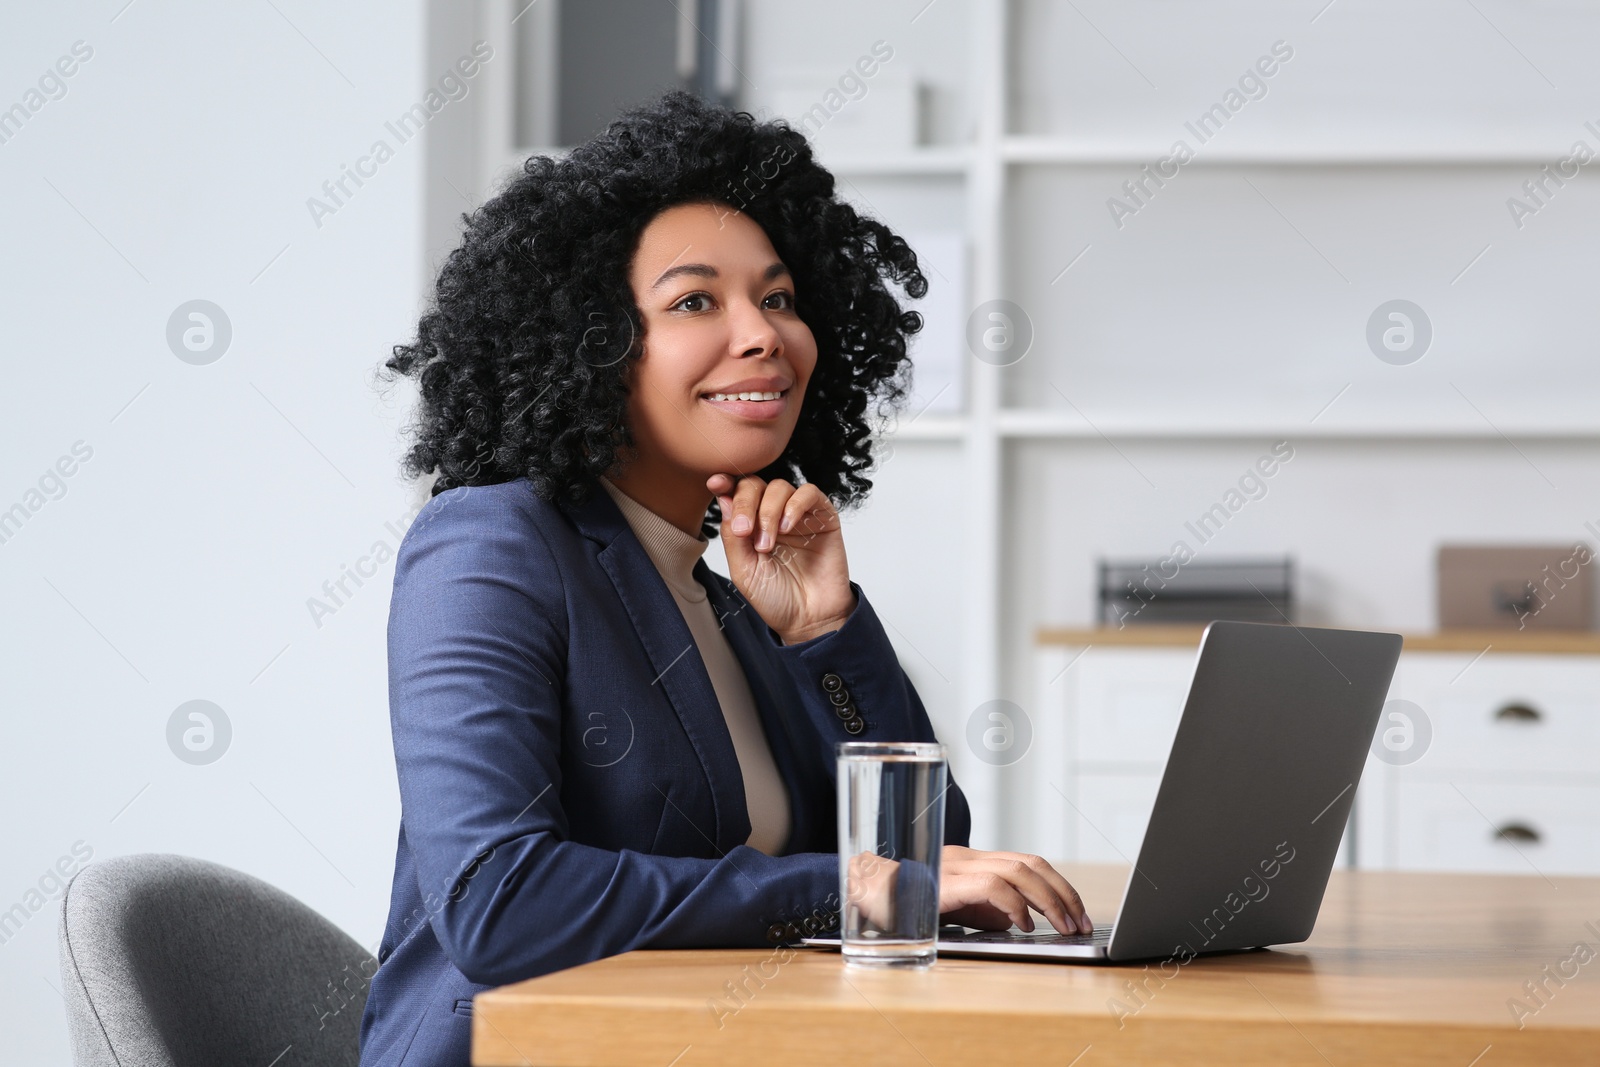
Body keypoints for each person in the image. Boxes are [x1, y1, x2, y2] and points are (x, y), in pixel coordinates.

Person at [360, 89, 1088, 1067]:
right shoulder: (490, 545)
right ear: (592, 342)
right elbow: (499, 900)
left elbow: (928, 857)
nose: (761, 334)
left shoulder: (728, 591)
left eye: (779, 298)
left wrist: (823, 631)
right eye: (695, 300)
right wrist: (844, 887)